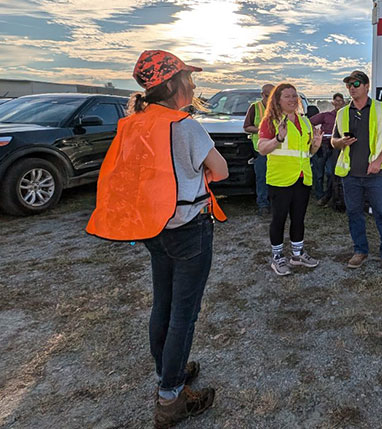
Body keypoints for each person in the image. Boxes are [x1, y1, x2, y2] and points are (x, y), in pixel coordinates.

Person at [86, 50, 229, 428]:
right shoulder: (185, 126)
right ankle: (170, 397)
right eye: (188, 78)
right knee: (185, 313)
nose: (194, 84)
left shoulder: (132, 124)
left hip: (153, 227)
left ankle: (171, 371)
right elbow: (221, 170)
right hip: (188, 227)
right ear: (172, 84)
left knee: (162, 305)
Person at [332, 71, 382, 275]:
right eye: (349, 85)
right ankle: (360, 251)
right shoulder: (342, 113)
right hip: (350, 175)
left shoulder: (380, 108)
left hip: (375, 174)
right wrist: (340, 142)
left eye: (356, 83)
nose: (352, 87)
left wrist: (378, 161)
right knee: (354, 214)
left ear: (367, 86)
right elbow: (333, 142)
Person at [258, 83, 323, 276]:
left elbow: (307, 151)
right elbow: (262, 149)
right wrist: (278, 138)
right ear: (277, 100)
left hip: (302, 178)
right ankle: (277, 257)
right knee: (279, 219)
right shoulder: (270, 120)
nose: (293, 100)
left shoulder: (304, 121)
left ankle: (297, 254)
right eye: (287, 96)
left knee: (298, 218)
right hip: (280, 179)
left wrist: (316, 145)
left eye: (295, 96)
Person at [243, 83, 274, 216]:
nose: (270, 99)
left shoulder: (278, 108)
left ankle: (276, 204)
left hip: (277, 150)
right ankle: (263, 205)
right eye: (268, 96)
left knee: (276, 179)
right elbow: (246, 127)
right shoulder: (255, 108)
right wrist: (261, 130)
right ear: (262, 95)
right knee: (262, 178)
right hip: (261, 150)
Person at [310, 92, 345, 206]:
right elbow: (309, 122)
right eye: (336, 100)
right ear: (333, 102)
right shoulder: (326, 115)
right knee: (319, 173)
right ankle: (319, 196)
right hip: (322, 147)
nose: (338, 103)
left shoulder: (345, 116)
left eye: (341, 100)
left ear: (343, 103)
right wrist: (314, 134)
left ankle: (328, 196)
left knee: (331, 172)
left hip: (335, 148)